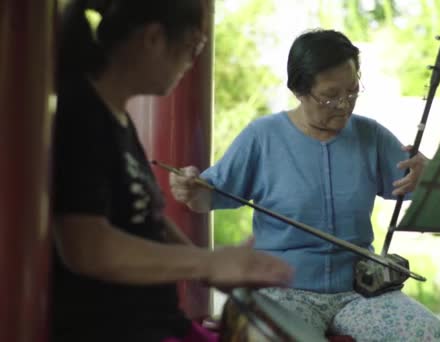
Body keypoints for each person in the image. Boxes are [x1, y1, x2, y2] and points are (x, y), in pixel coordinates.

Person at [170, 29, 440, 341]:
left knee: (428, 334)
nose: (344, 105)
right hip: (284, 292)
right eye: (330, 96)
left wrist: (429, 175)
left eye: (353, 91)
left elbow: (417, 187)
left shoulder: (370, 136)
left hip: (359, 293)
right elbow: (208, 195)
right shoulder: (262, 137)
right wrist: (190, 189)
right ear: (299, 91)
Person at [51, 1, 293, 341]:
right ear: (153, 38)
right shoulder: (81, 114)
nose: (192, 61)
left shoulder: (115, 117)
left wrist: (210, 264)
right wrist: (206, 264)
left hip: (159, 323)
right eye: (194, 46)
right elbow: (86, 245)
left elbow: (149, 220)